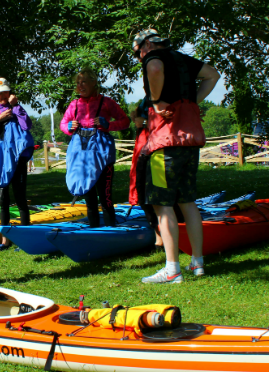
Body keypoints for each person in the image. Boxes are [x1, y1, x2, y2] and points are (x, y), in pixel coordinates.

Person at [132, 29, 220, 283]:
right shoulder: (182, 59)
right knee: (188, 202)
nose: (141, 59)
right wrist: (193, 101)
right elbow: (212, 75)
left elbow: (155, 68)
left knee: (162, 204)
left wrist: (158, 101)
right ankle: (198, 264)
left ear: (146, 45)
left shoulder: (153, 57)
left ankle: (172, 270)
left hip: (165, 145)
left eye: (139, 53)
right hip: (191, 142)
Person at [60, 68, 130, 227]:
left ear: (94, 82)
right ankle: (94, 232)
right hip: (82, 158)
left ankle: (111, 232)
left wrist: (108, 125)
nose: (80, 85)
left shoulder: (106, 102)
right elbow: (63, 124)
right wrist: (69, 127)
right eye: (78, 83)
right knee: (89, 198)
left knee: (105, 197)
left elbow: (125, 121)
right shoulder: (74, 105)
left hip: (103, 156)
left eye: (83, 81)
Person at [0, 78, 34, 251]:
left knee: (20, 198)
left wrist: (16, 106)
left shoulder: (17, 109)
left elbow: (27, 125)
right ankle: (5, 241)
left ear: (10, 92)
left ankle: (25, 238)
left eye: (6, 91)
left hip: (17, 160)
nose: (3, 95)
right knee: (3, 200)